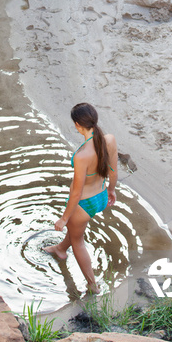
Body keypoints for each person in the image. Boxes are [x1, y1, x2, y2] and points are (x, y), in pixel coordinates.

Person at [44, 102, 118, 293]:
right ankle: (60, 249)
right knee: (75, 231)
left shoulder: (82, 156)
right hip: (101, 196)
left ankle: (92, 285)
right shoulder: (109, 140)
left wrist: (64, 218)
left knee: (78, 240)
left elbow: (76, 193)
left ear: (78, 125)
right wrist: (111, 191)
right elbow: (113, 171)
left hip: (84, 204)